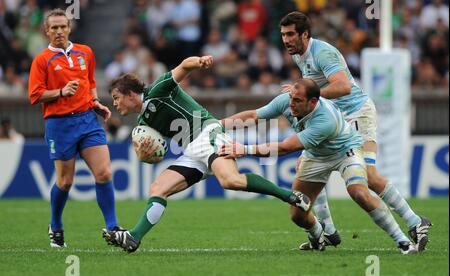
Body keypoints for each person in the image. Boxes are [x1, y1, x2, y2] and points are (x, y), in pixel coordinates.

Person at [102, 55, 309, 253]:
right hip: (191, 151)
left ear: (130, 94)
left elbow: (184, 66)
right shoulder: (143, 124)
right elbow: (157, 156)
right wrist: (145, 156)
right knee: (158, 188)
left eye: (116, 98)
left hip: (207, 133)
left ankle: (290, 196)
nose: (115, 103)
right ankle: (134, 237)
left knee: (230, 181)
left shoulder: (158, 90)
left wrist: (199, 62)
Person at [278, 11, 431, 251]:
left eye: (290, 35)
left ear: (304, 34)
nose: (285, 40)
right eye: (283, 35)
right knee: (305, 164)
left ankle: (414, 221)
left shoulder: (323, 53)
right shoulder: (300, 55)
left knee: (367, 176)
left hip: (356, 114)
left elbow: (344, 86)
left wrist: (311, 95)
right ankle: (328, 231)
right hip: (336, 120)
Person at [219, 79, 417, 254]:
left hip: (345, 151)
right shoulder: (287, 100)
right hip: (316, 156)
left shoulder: (325, 119)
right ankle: (318, 235)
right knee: (297, 214)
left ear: (313, 102)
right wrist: (219, 124)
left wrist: (244, 149)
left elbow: (287, 147)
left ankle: (403, 241)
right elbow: (254, 116)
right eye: (291, 98)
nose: (291, 105)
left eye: (298, 101)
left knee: (359, 193)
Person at [28, 9, 122, 248]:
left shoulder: (86, 52)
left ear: (69, 28)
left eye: (63, 26)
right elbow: (35, 95)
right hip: (59, 125)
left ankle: (112, 227)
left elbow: (90, 83)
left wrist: (95, 102)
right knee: (65, 182)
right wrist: (60, 92)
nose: (59, 31)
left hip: (88, 121)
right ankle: (56, 224)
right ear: (46, 31)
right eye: (54, 28)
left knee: (104, 173)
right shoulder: (41, 60)